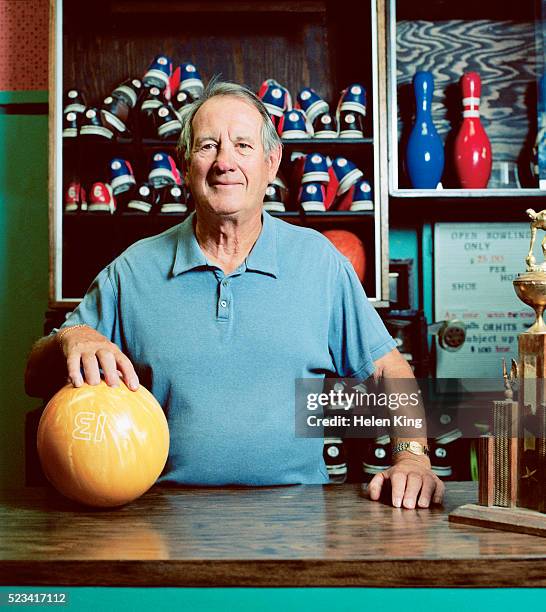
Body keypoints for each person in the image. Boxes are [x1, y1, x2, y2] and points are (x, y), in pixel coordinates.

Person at [25, 81, 444, 508]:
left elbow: (387, 367)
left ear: (271, 161)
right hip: (160, 515)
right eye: (208, 146)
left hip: (299, 515)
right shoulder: (133, 269)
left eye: (242, 145)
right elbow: (34, 378)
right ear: (184, 164)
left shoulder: (319, 261)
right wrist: (69, 337)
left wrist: (412, 457)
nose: (225, 162)